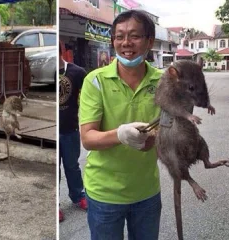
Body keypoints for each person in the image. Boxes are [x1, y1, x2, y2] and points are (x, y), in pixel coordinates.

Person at [79, 10, 163, 240]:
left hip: (146, 191)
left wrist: (156, 139)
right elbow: (87, 139)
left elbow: (171, 127)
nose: (126, 43)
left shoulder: (164, 82)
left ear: (150, 41)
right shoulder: (95, 80)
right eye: (119, 36)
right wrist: (120, 134)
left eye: (134, 36)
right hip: (104, 194)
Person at [59, 41, 88, 222]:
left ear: (62, 51)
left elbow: (88, 101)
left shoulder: (77, 73)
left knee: (72, 166)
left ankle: (78, 196)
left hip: (70, 129)